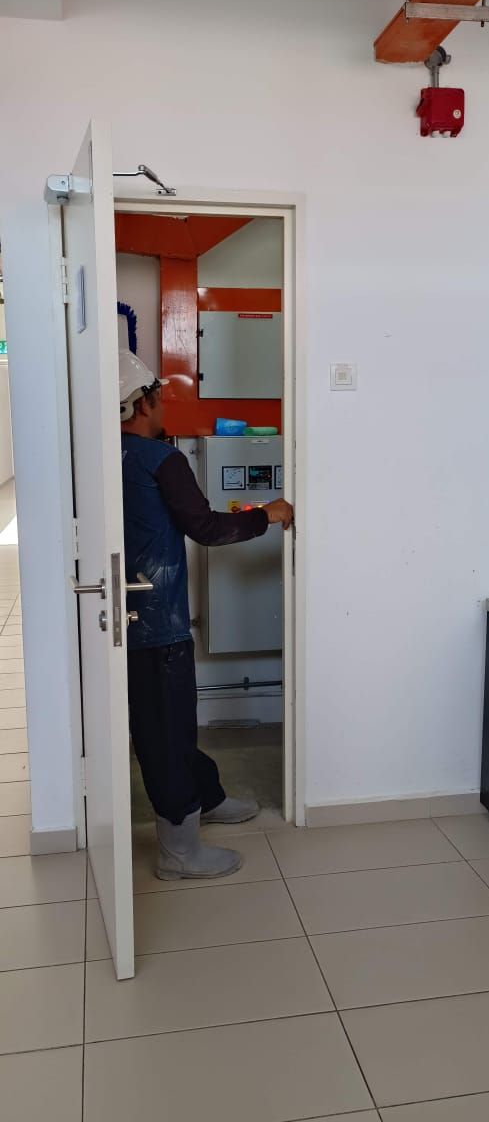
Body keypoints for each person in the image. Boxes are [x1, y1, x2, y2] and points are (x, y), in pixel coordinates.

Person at [119, 350, 294, 880]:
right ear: (142, 403)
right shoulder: (162, 460)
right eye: (157, 396)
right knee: (166, 734)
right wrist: (268, 513)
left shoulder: (103, 457)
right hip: (158, 625)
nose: (162, 404)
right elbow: (208, 528)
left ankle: (207, 797)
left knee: (169, 723)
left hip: (128, 615)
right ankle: (178, 849)